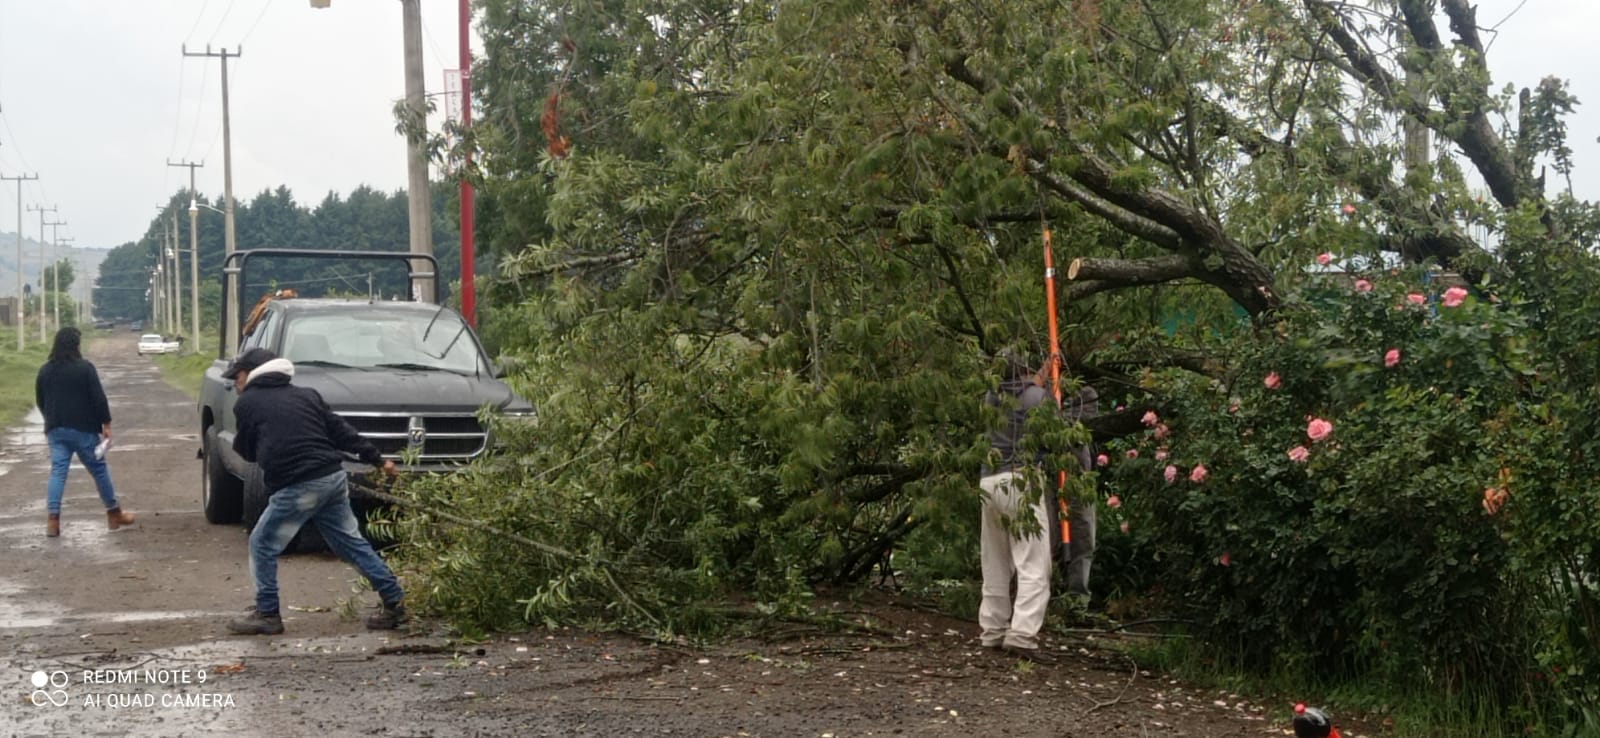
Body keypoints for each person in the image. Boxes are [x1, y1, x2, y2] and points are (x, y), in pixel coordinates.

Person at [222, 347, 408, 635]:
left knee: (262, 543)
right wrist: (378, 459)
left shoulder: (248, 403)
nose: (235, 382)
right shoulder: (307, 395)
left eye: (238, 376)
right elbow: (340, 431)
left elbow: (247, 451)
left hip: (301, 485)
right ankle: (395, 601)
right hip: (332, 478)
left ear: (253, 373)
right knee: (350, 543)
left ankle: (267, 613)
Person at [979, 351, 1071, 662]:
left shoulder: (991, 398)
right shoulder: (1037, 397)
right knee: (1033, 564)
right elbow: (1056, 437)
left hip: (989, 482)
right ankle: (1022, 634)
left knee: (995, 559)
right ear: (1025, 368)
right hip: (1021, 480)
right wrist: (1052, 393)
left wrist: (1045, 375)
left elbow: (1023, 391)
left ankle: (992, 629)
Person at [35, 326, 135, 537]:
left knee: (58, 472)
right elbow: (98, 399)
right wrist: (106, 424)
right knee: (99, 470)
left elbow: (41, 400)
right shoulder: (85, 368)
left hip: (56, 430)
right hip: (84, 430)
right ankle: (114, 513)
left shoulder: (45, 370)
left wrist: (51, 420)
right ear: (76, 346)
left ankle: (53, 521)